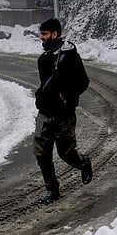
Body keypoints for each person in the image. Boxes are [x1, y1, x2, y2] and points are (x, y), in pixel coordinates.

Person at [33, 17, 93, 204]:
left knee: (65, 153)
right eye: (40, 34)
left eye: (44, 34)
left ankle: (83, 163)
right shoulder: (43, 59)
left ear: (55, 34)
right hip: (45, 112)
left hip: (64, 114)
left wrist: (66, 97)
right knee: (41, 153)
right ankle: (53, 190)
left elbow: (83, 82)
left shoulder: (70, 56)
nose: (41, 38)